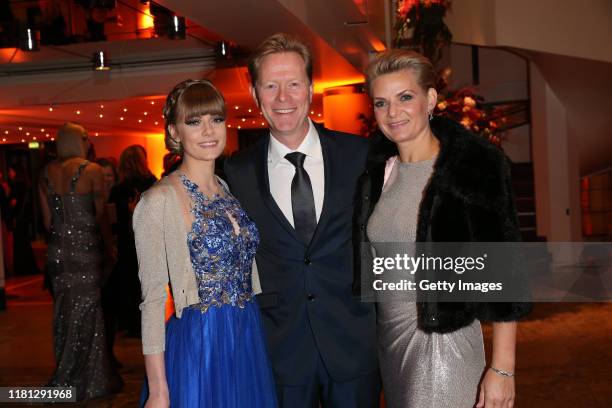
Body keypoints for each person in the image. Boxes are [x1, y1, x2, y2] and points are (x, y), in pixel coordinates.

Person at [353, 49, 532, 408]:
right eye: (381, 103)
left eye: (405, 97)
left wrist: (502, 368)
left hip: (443, 346)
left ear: (430, 98)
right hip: (391, 346)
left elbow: (504, 274)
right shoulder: (379, 174)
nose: (393, 112)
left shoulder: (471, 165)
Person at [224, 33, 380, 408]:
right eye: (271, 86)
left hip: (354, 342)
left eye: (293, 84)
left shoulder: (360, 156)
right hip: (280, 350)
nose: (283, 98)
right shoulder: (236, 172)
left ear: (310, 89)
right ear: (255, 93)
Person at [134, 79, 277, 407]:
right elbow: (153, 300)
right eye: (194, 122)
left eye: (216, 119)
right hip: (202, 342)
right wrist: (158, 390)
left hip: (245, 333)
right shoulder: (159, 200)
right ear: (174, 132)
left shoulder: (225, 188)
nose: (209, 130)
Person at [38, 122, 122, 401]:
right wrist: (109, 249)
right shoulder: (92, 170)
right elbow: (100, 217)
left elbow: (48, 222)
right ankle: (91, 379)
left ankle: (65, 374)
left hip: (58, 253)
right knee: (90, 314)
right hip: (86, 251)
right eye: (86, 138)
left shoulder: (46, 174)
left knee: (64, 312)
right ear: (80, 140)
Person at [108, 145, 156, 338]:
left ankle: (133, 323)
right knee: (147, 282)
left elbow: (112, 220)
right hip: (148, 240)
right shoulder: (152, 183)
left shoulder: (118, 189)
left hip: (127, 242)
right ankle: (147, 321)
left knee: (129, 282)